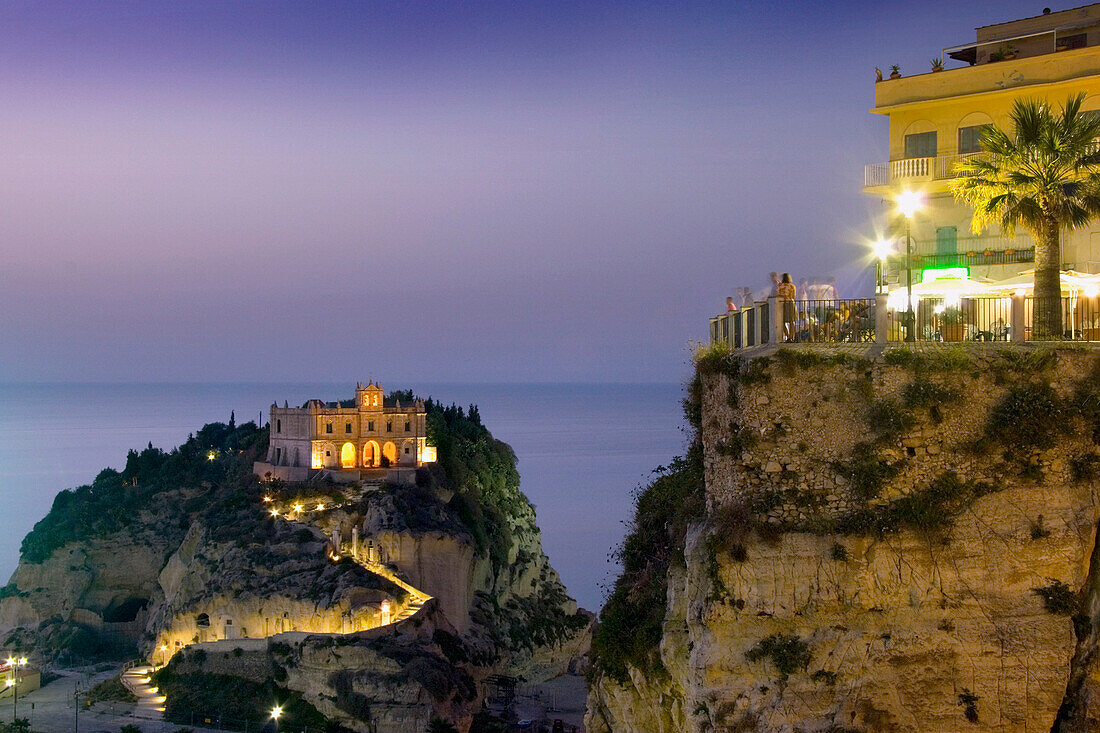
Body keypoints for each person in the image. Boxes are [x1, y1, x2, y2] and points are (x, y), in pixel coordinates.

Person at [777, 273, 797, 341]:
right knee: (792, 320)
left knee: (782, 321)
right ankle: (791, 337)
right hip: (790, 303)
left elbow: (777, 295)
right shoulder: (792, 286)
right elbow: (794, 296)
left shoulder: (779, 286)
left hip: (782, 303)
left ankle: (787, 335)